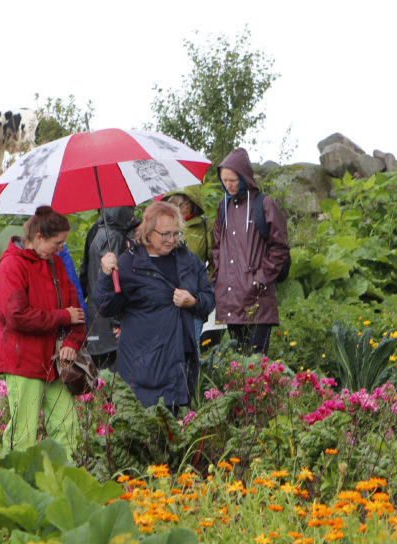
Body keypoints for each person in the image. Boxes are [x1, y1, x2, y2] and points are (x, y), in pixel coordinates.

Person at [95, 202, 214, 410]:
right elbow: (106, 308)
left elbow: (209, 299)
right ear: (148, 232)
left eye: (176, 233)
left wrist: (193, 301)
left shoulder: (188, 260)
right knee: (149, 421)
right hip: (144, 364)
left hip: (181, 360)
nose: (172, 240)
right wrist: (106, 276)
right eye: (166, 234)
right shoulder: (129, 264)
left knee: (178, 421)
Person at [0, 206, 86, 455]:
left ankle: (65, 475)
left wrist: (71, 344)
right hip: (23, 361)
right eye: (58, 243)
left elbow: (76, 315)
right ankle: (16, 478)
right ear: (39, 237)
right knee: (23, 432)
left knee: (67, 426)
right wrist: (62, 316)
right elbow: (16, 316)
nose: (61, 249)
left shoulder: (56, 264)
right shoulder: (11, 265)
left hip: (55, 363)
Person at [211, 148, 289, 355]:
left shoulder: (265, 204)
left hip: (257, 298)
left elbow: (280, 247)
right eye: (224, 180)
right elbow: (217, 248)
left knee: (256, 363)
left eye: (232, 180)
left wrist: (259, 280)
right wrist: (218, 280)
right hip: (230, 298)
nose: (228, 185)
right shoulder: (222, 207)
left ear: (244, 177)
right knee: (238, 364)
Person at [79, 206, 138, 370]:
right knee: (118, 376)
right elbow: (122, 284)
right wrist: (119, 320)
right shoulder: (123, 236)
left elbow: (84, 275)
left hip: (96, 319)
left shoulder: (96, 230)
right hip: (115, 323)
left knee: (102, 377)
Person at [162, 185, 214, 346]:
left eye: (182, 204)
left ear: (192, 204)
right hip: (166, 301)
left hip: (194, 299)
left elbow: (215, 262)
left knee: (191, 348)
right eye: (173, 204)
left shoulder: (205, 228)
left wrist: (207, 286)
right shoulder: (160, 228)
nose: (178, 209)